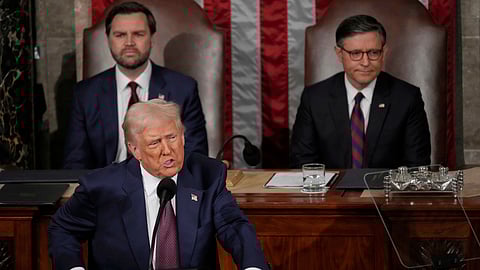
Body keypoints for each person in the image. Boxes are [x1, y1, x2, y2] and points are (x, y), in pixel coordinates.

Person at [49, 99, 268, 270]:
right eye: (155, 142)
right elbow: (62, 228)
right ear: (135, 150)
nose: (167, 150)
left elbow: (234, 226)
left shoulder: (208, 175)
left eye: (172, 137)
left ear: (182, 137)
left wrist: (253, 266)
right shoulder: (101, 187)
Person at [63, 1, 208, 169]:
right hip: (106, 188)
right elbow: (75, 163)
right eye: (120, 35)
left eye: (138, 34)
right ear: (108, 39)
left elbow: (195, 156)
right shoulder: (86, 94)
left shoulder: (183, 89)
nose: (129, 42)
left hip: (164, 187)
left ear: (151, 38)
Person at [290, 15, 431, 169]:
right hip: (330, 191)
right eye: (355, 53)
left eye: (373, 53)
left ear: (384, 53)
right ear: (339, 54)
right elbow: (302, 164)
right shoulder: (314, 98)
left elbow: (417, 167)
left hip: (385, 191)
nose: (365, 62)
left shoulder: (407, 98)